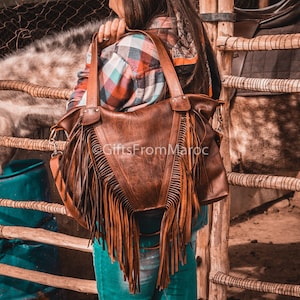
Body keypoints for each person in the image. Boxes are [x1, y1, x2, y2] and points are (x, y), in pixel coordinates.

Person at [67, 0, 221, 299]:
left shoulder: (134, 47)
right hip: (184, 204)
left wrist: (96, 52)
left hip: (132, 215)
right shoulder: (193, 34)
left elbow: (79, 114)